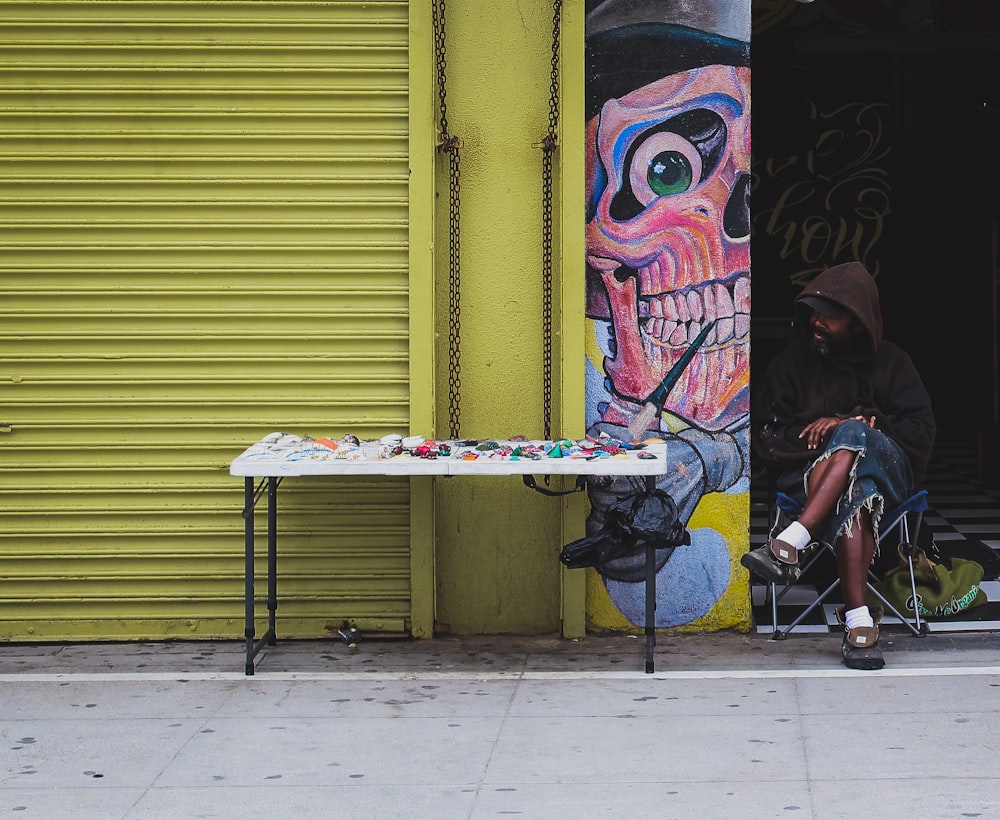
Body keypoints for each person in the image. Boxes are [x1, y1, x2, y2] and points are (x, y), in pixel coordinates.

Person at [743, 261, 936, 670]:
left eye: (831, 315)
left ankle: (792, 541)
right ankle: (859, 623)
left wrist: (860, 424)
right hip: (811, 481)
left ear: (859, 321)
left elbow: (920, 430)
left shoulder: (893, 364)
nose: (818, 321)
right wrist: (829, 441)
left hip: (889, 479)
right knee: (856, 492)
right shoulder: (790, 366)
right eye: (814, 312)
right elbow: (765, 436)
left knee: (854, 434)